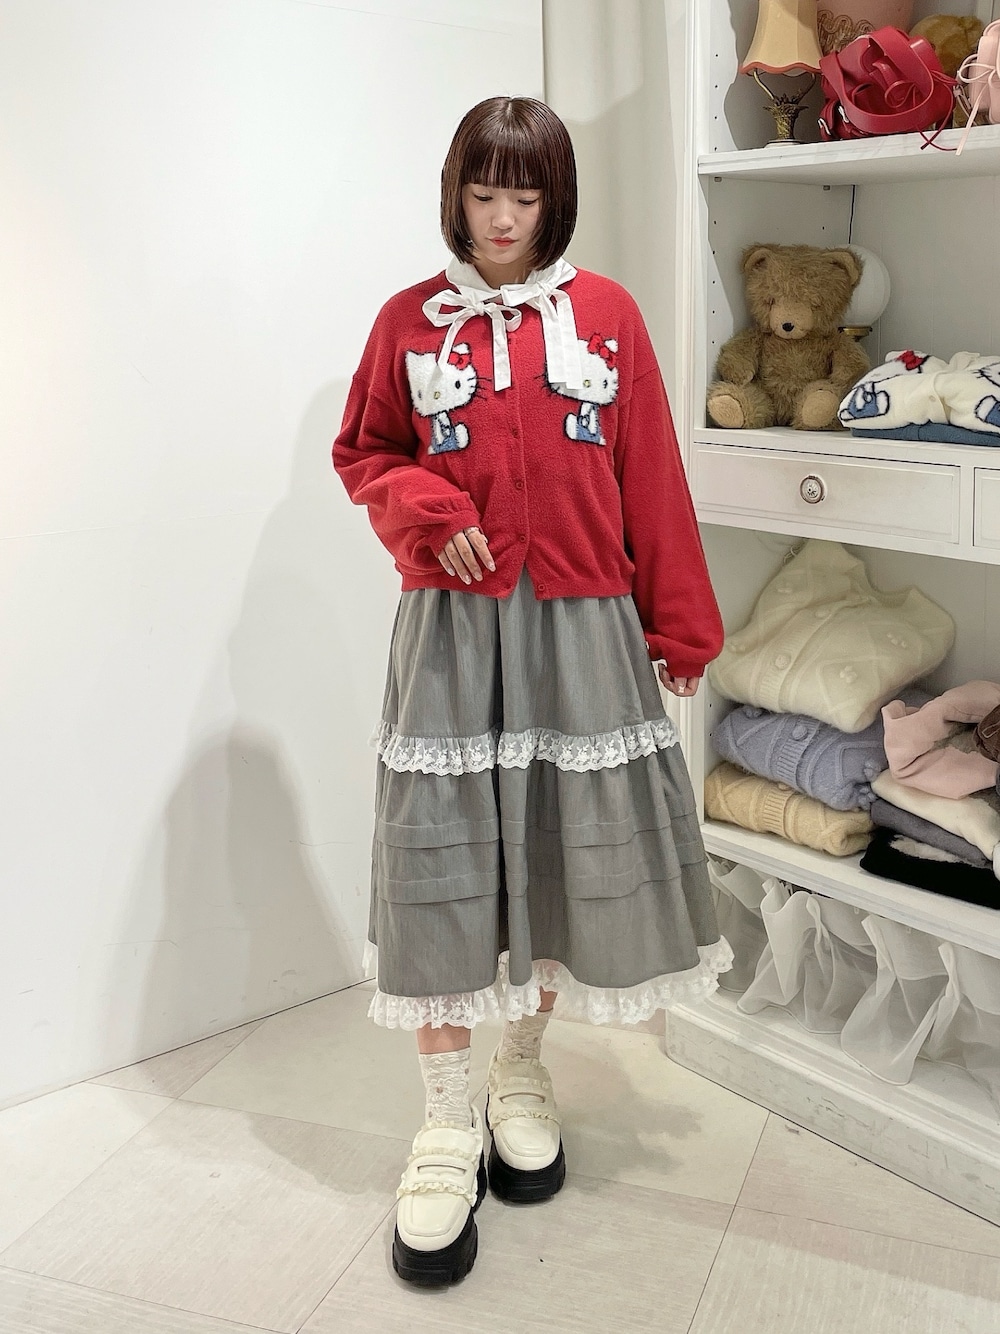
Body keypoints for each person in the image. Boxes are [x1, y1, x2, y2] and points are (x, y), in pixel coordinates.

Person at [333, 95, 730, 1288]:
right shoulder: (407, 323)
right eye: (483, 192)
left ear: (555, 200)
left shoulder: (605, 315)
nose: (503, 218)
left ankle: (520, 1068)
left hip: (582, 627)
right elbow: (365, 452)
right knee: (447, 868)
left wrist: (679, 621)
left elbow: (649, 472)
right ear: (454, 195)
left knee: (552, 854)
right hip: (453, 633)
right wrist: (425, 508)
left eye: (526, 194)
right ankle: (444, 1115)